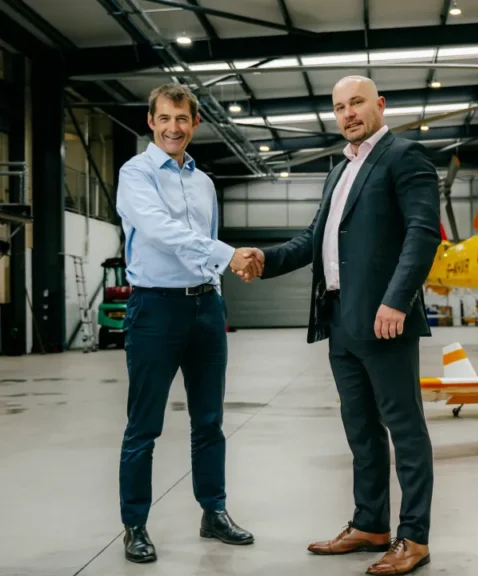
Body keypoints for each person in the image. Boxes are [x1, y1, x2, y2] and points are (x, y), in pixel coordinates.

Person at [241, 75, 441, 575]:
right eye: (339, 107)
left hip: (384, 320)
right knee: (361, 431)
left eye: (356, 103)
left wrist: (397, 300)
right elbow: (313, 240)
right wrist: (263, 258)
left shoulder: (403, 156)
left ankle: (413, 537)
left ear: (379, 104)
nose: (348, 113)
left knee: (405, 429)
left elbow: (421, 233)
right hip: (340, 320)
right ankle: (370, 524)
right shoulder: (339, 171)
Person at [116, 83, 260, 564]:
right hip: (155, 308)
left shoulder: (204, 182)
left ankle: (213, 512)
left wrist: (217, 294)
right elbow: (161, 230)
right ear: (151, 121)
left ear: (195, 123)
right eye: (164, 118)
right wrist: (229, 256)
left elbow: (205, 240)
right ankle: (135, 525)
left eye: (182, 119)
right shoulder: (134, 174)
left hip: (205, 310)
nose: (173, 127)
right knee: (144, 426)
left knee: (210, 421)